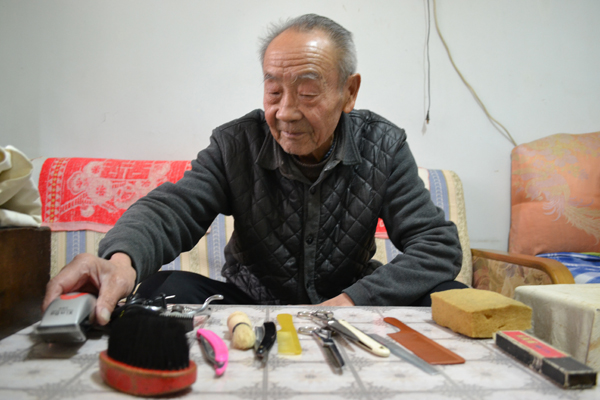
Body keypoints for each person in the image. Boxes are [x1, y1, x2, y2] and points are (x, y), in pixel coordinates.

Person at [43, 14, 465, 326]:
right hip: (246, 303)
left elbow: (437, 246)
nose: (286, 112)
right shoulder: (236, 144)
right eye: (274, 91)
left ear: (348, 92)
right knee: (161, 290)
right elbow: (173, 209)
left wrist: (354, 301)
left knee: (450, 295)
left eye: (307, 93)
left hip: (346, 304)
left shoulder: (383, 146)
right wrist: (121, 261)